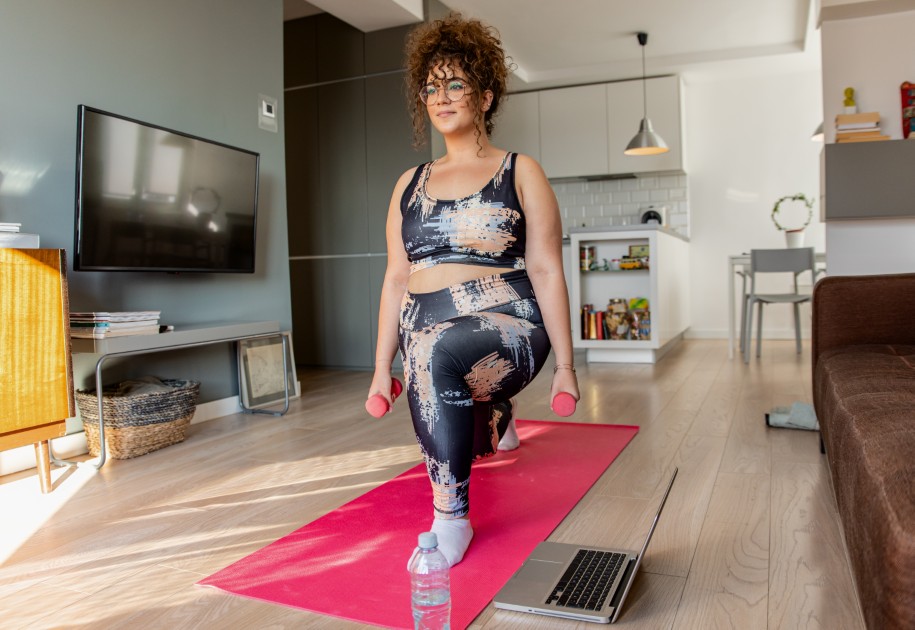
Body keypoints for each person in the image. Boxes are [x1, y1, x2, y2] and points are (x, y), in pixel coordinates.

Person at [367, 13, 579, 567]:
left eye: (455, 83)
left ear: (484, 96)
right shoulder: (407, 185)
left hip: (509, 319)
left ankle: (449, 517)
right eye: (431, 87)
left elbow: (548, 270)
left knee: (436, 351)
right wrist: (378, 369)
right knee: (428, 347)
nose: (441, 96)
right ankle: (494, 413)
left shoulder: (519, 170)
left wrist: (566, 368)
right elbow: (395, 278)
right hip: (424, 324)